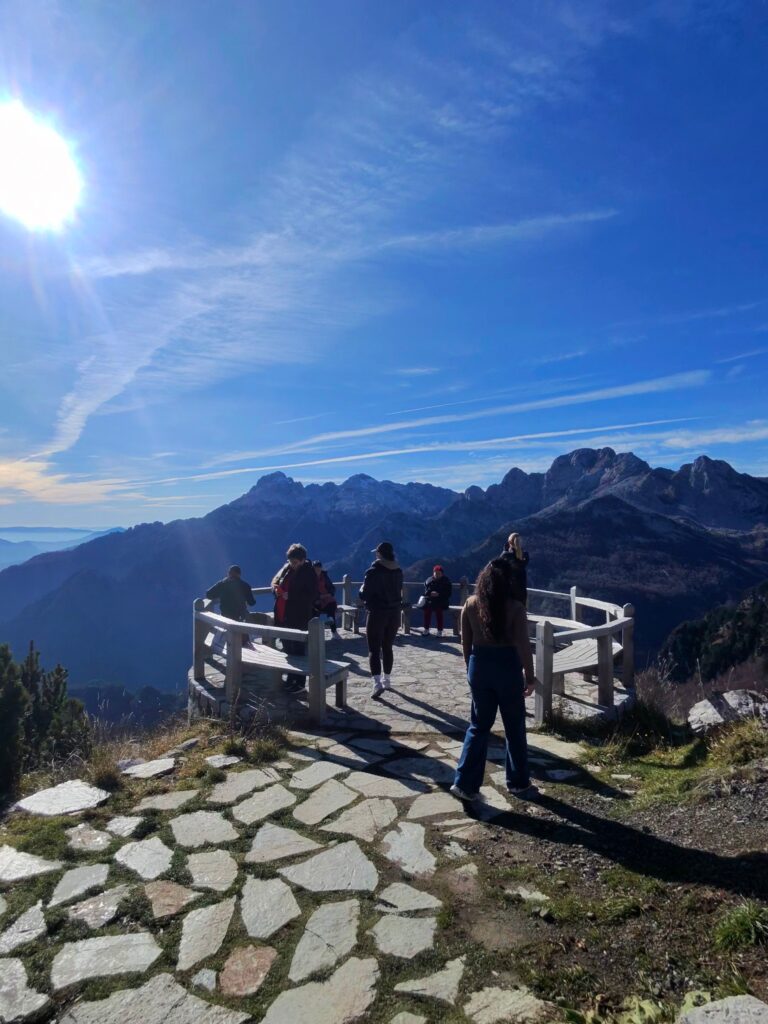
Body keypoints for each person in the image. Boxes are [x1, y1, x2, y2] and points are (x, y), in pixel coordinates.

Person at [451, 558, 537, 802]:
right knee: (514, 728)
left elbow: (465, 643)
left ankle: (464, 784)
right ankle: (518, 783)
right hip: (507, 669)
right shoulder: (516, 608)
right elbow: (523, 646)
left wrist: (471, 669)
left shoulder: (470, 604)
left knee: (478, 726)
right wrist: (529, 678)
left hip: (479, 667)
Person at [359, 541, 403, 699]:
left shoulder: (374, 571)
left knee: (374, 649)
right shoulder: (398, 570)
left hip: (377, 613)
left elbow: (365, 594)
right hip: (394, 614)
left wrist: (361, 590)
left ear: (379, 554)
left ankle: (377, 683)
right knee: (388, 646)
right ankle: (387, 680)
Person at [271, 543, 318, 691]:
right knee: (288, 650)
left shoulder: (309, 573)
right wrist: (276, 590)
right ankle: (291, 679)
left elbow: (312, 595)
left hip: (299, 617)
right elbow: (275, 582)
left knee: (297, 650)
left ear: (303, 560)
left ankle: (299, 683)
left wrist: (290, 596)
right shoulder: (287, 569)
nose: (292, 564)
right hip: (283, 615)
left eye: (295, 562)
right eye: (290, 561)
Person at [205, 566, 255, 644]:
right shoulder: (245, 585)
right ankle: (245, 644)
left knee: (225, 639)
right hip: (241, 617)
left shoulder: (222, 583)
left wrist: (220, 594)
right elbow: (252, 603)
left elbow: (208, 594)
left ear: (229, 573)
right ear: (239, 574)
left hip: (225, 617)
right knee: (243, 639)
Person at [422, 565, 452, 636]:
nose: (437, 574)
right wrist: (430, 593)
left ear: (442, 573)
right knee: (427, 611)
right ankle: (426, 629)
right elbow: (426, 592)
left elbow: (448, 593)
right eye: (436, 573)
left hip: (441, 601)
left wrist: (439, 594)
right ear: (433, 573)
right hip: (431, 601)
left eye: (439, 573)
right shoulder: (429, 580)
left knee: (439, 611)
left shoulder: (446, 581)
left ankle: (439, 630)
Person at [500, 531, 529, 605]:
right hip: (521, 590)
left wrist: (505, 549)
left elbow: (498, 566)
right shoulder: (525, 556)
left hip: (508, 590)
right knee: (520, 612)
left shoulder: (506, 555)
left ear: (509, 542)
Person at [312, 560, 339, 635]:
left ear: (321, 568)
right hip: (316, 601)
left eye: (319, 568)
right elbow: (310, 592)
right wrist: (319, 597)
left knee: (332, 605)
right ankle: (332, 631)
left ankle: (332, 627)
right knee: (315, 610)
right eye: (316, 569)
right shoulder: (310, 578)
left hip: (326, 599)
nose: (317, 570)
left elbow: (332, 588)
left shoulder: (324, 576)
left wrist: (329, 594)